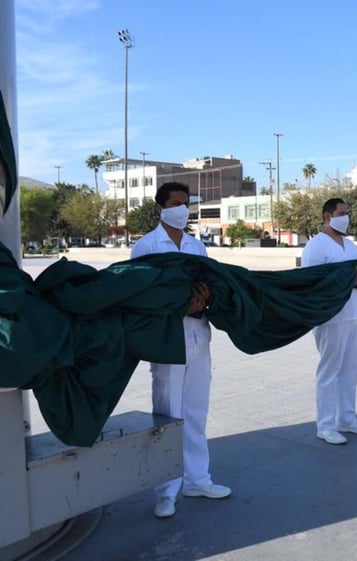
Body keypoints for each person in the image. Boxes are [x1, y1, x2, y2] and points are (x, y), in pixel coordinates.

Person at [131, 182, 231, 519]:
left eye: (185, 204)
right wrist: (178, 306)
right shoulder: (146, 246)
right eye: (175, 203)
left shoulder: (196, 246)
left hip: (199, 337)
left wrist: (202, 302)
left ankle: (197, 479)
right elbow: (142, 294)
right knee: (168, 414)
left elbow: (208, 283)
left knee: (196, 411)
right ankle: (166, 490)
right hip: (168, 341)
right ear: (160, 208)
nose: (182, 209)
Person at [301, 198, 357, 445]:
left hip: (354, 314)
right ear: (326, 216)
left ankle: (347, 419)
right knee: (330, 371)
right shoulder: (316, 245)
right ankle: (326, 425)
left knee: (349, 370)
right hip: (331, 317)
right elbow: (312, 282)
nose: (346, 217)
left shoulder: (350, 245)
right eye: (341, 213)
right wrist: (350, 280)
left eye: (347, 213)